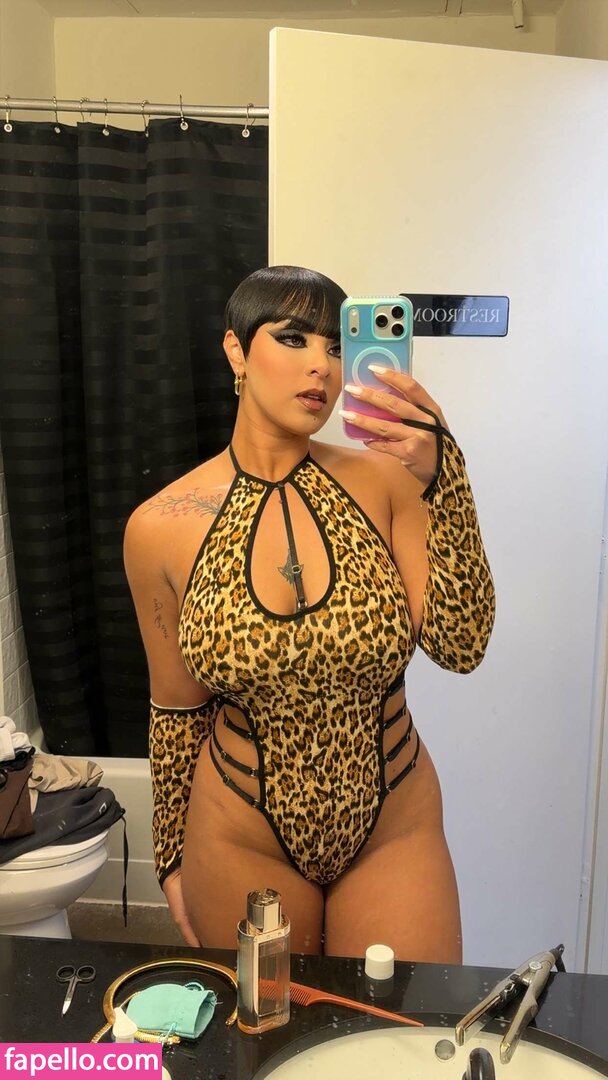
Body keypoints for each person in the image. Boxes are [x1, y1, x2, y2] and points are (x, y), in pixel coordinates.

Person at [124, 265, 495, 962]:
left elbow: (462, 642)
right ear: (236, 350)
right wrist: (169, 850)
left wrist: (447, 476)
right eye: (293, 339)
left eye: (335, 346)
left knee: (404, 1025)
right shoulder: (160, 525)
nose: (321, 365)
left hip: (393, 822)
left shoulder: (389, 480)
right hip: (238, 828)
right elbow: (175, 706)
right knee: (265, 1026)